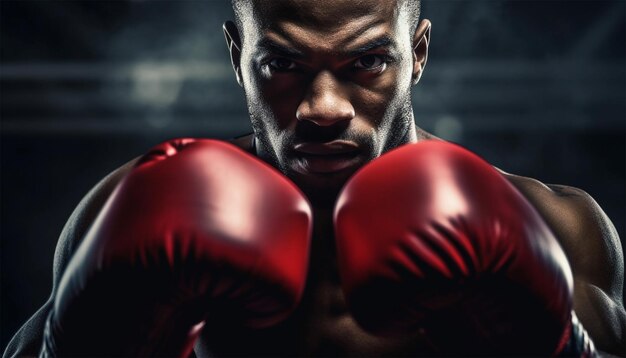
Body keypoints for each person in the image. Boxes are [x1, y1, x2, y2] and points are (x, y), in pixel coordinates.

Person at [4, 0, 624, 356]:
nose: (323, 107)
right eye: (283, 64)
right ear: (235, 56)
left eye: (368, 62)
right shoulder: (131, 208)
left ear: (420, 53)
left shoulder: (553, 223)